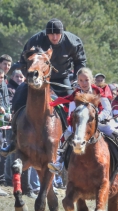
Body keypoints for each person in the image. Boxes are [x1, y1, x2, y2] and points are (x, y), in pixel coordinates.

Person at [1, 18, 86, 156]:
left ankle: (75, 139)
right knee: (20, 94)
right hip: (38, 78)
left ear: (62, 33)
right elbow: (23, 62)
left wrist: (77, 78)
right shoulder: (35, 41)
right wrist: (30, 78)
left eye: (57, 34)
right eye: (51, 34)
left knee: (76, 102)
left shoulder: (72, 42)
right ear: (46, 34)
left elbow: (80, 61)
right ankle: (14, 140)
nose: (54, 37)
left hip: (61, 78)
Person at [48, 68, 118, 173]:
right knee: (66, 134)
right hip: (80, 123)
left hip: (99, 123)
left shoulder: (98, 92)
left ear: (91, 80)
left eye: (86, 80)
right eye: (81, 80)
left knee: (116, 133)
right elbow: (71, 112)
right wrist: (76, 122)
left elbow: (107, 109)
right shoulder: (75, 95)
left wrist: (98, 118)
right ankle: (59, 162)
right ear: (78, 81)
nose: (84, 83)